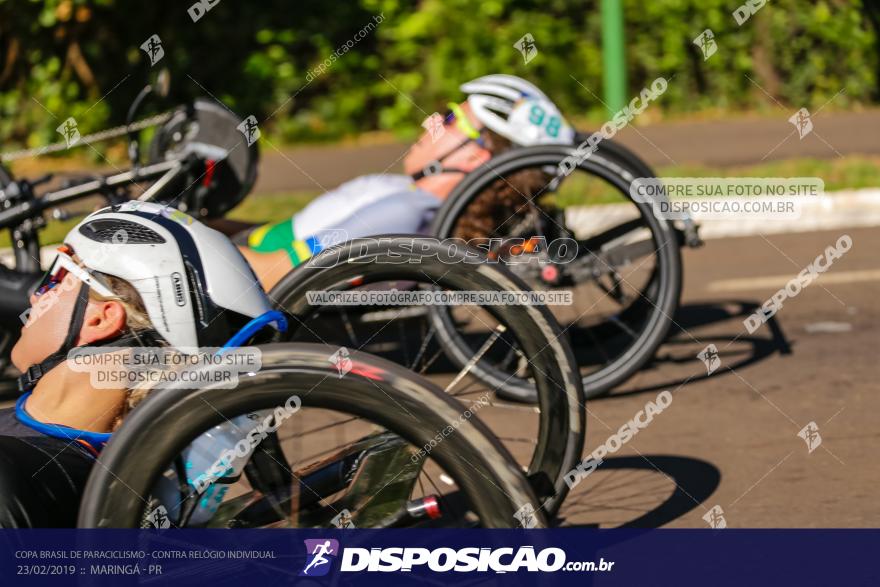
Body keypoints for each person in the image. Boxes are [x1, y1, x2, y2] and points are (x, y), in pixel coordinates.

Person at [0, 201, 280, 527]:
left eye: (58, 277)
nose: (36, 296)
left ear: (102, 319)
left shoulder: (15, 474)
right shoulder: (99, 474)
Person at [220, 75, 575, 290]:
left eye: (450, 118)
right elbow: (283, 237)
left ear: (475, 157)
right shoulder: (409, 198)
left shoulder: (402, 215)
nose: (431, 121)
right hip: (240, 246)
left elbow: (273, 275)